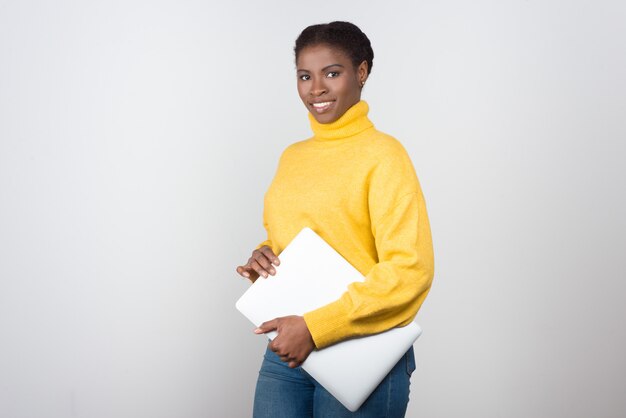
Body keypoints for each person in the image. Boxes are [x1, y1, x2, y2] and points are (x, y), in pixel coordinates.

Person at [235, 21, 435, 417]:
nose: (316, 89)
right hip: (287, 347)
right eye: (305, 76)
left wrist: (316, 327)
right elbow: (289, 239)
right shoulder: (292, 157)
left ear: (361, 72)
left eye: (332, 73)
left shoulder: (384, 155)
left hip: (361, 347)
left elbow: (410, 270)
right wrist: (266, 257)